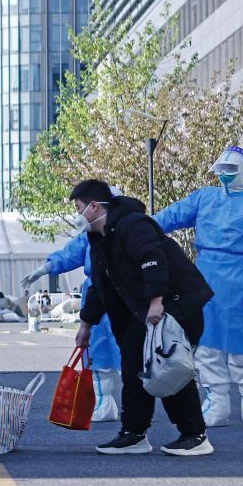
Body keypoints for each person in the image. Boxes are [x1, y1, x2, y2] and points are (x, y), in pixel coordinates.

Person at [72, 179, 214, 456]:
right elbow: (100, 287)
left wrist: (156, 301)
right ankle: (134, 434)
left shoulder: (132, 224)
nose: (77, 215)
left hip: (173, 308)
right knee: (135, 368)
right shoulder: (100, 240)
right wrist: (86, 324)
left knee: (170, 367)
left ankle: (195, 435)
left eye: (79, 208)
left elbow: (154, 260)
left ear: (93, 206)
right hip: (143, 315)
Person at [153, 146, 243, 429]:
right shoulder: (204, 198)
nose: (223, 175)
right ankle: (216, 404)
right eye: (220, 170)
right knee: (208, 348)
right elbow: (171, 216)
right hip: (206, 284)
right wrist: (139, 224)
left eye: (230, 170)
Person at [21, 232, 123, 422]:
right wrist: (45, 268)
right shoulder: (91, 233)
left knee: (128, 355)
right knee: (96, 352)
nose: (79, 212)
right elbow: (72, 251)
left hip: (123, 292)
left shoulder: (127, 225)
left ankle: (138, 410)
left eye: (80, 207)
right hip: (96, 293)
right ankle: (103, 402)